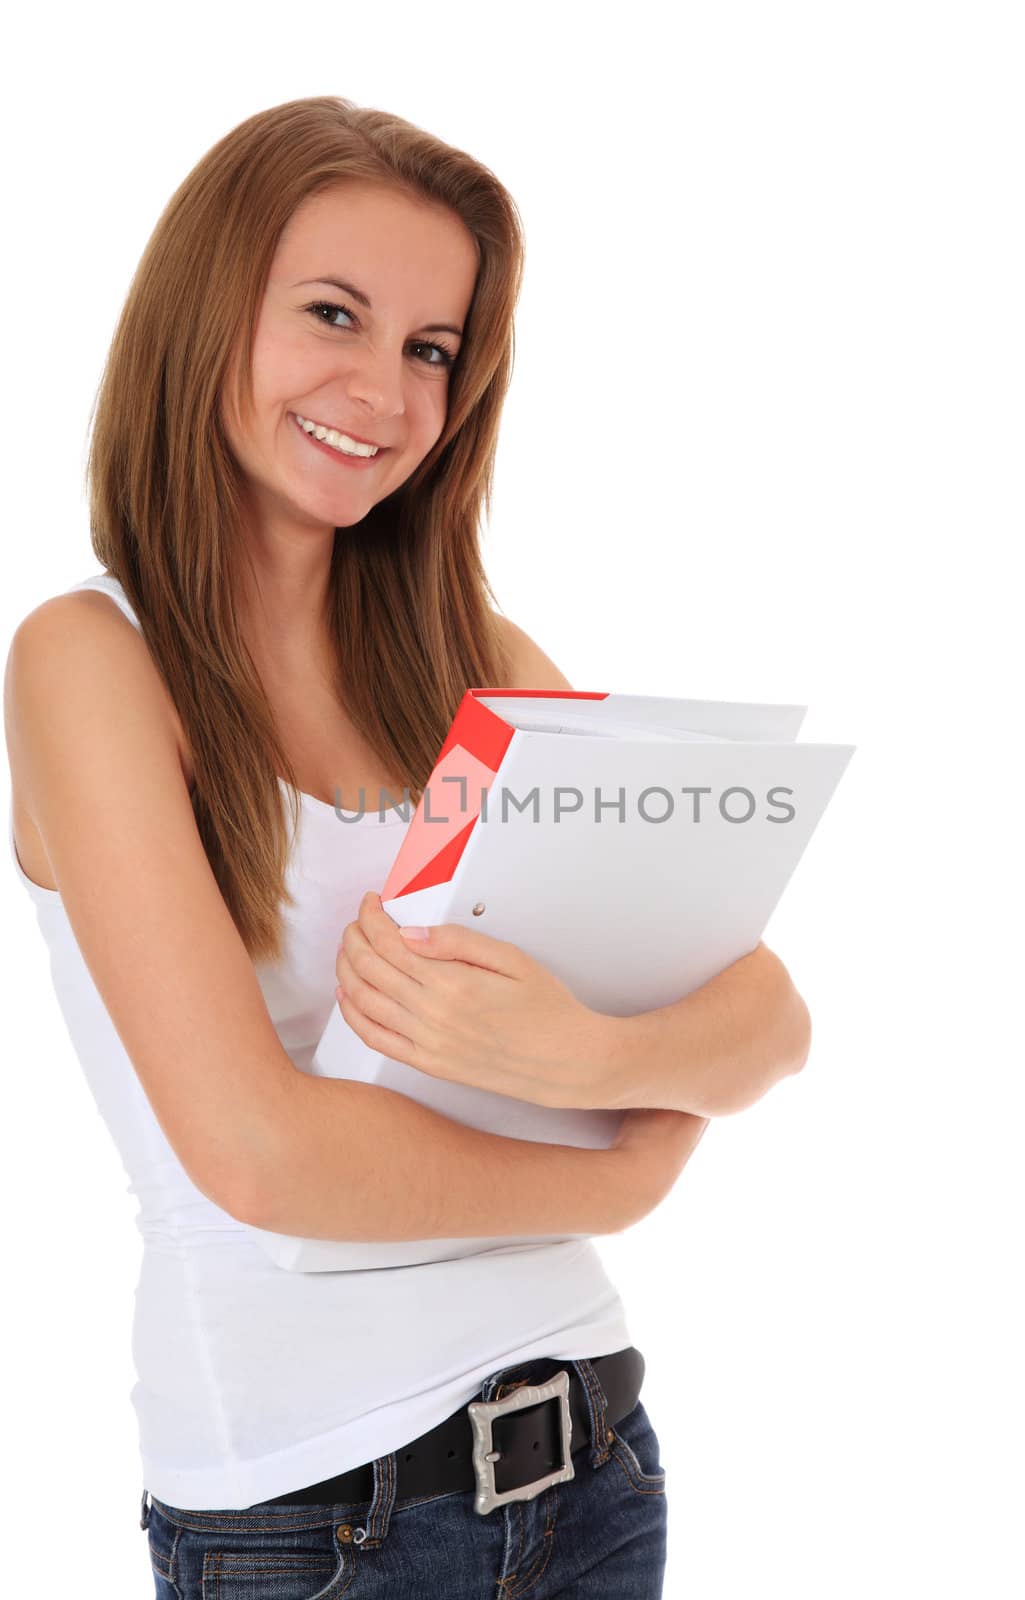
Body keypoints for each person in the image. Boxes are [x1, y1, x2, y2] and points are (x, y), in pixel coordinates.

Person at [4, 97, 728, 1597]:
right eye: (331, 314)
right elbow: (263, 1159)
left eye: (430, 347)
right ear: (208, 313)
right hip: (322, 1514)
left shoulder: (476, 661)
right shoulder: (92, 663)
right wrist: (613, 1169)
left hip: (595, 1460)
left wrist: (595, 1067)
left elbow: (758, 1011)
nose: (381, 389)